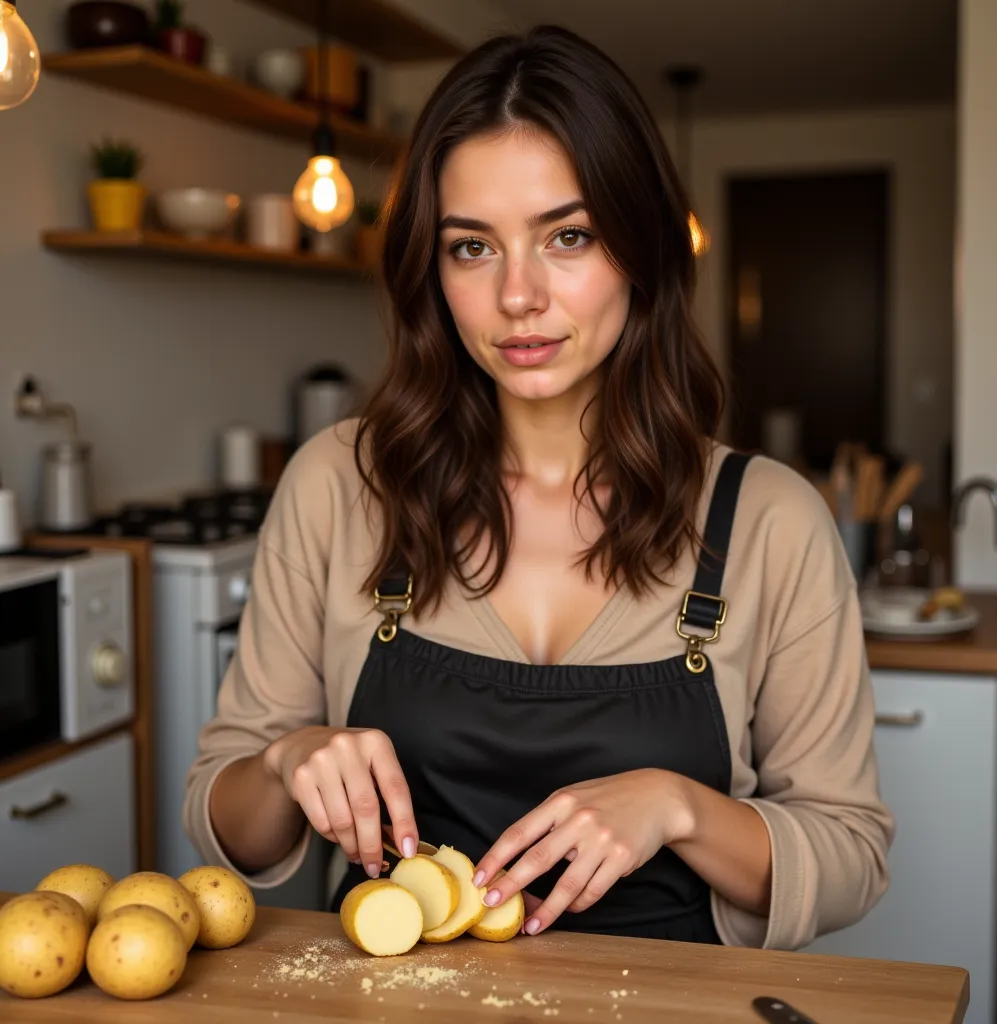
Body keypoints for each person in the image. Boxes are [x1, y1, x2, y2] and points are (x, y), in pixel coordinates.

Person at [183, 24, 894, 949]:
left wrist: (678, 808)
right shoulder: (340, 485)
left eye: (568, 236)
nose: (519, 295)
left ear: (638, 251)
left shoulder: (768, 519)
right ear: (432, 274)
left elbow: (850, 854)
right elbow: (221, 814)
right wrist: (284, 761)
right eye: (472, 248)